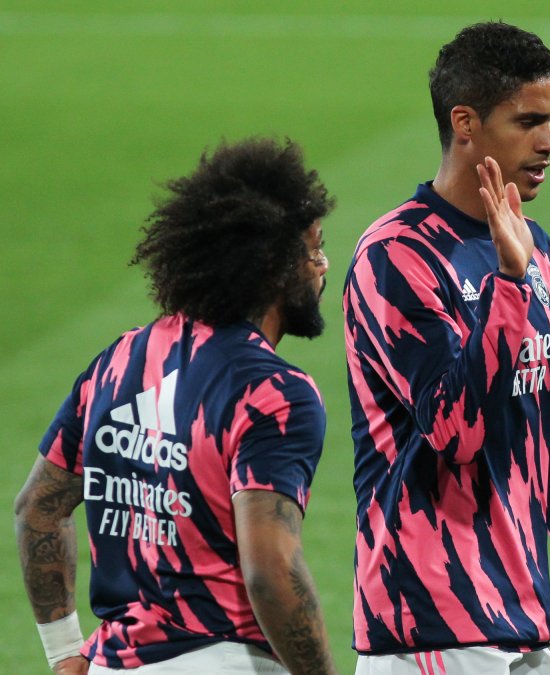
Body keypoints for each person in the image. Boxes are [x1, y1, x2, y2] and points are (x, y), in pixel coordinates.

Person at [342, 21, 550, 675]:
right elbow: (456, 432)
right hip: (428, 629)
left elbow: (547, 429)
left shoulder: (536, 251)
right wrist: (509, 287)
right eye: (529, 121)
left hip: (517, 621)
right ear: (465, 123)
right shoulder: (396, 257)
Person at [14, 138, 340, 674]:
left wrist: (65, 653)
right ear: (276, 267)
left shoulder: (118, 361)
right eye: (314, 250)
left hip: (115, 664)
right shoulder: (274, 391)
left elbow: (37, 508)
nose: (324, 266)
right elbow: (270, 570)